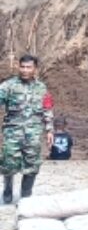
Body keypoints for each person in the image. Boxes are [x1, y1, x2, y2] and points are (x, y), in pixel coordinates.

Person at [0, 54, 54, 204]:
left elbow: (47, 109)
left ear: (35, 68)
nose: (25, 70)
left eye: (28, 67)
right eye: (22, 67)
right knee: (8, 164)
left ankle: (26, 195)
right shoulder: (8, 86)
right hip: (12, 132)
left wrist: (49, 130)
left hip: (33, 133)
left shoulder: (42, 88)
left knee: (32, 165)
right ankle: (8, 190)